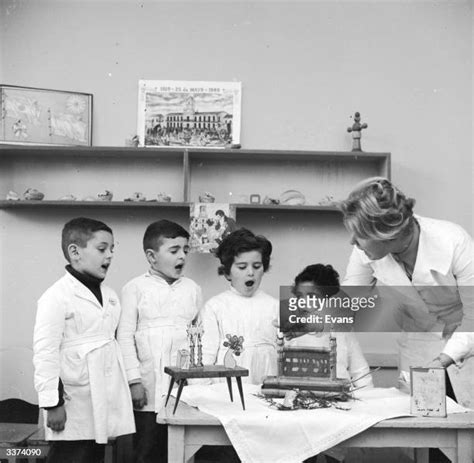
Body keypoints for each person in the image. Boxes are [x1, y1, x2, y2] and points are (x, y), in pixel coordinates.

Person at [339, 177, 474, 409]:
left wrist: (443, 360)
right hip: (417, 348)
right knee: (425, 434)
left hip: (467, 350)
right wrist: (303, 318)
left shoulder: (453, 241)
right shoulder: (364, 252)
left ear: (385, 233)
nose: (353, 241)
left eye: (359, 235)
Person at [33, 217, 135, 463]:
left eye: (112, 249)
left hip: (101, 397)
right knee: (70, 455)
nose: (109, 255)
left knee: (93, 454)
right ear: (75, 252)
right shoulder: (56, 297)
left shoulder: (110, 296)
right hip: (71, 401)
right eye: (102, 249)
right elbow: (45, 352)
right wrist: (52, 403)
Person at [117, 219, 202, 463]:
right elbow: (124, 337)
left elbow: (199, 335)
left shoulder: (192, 289)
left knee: (180, 450)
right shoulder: (134, 288)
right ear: (152, 256)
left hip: (183, 387)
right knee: (146, 449)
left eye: (185, 250)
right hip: (147, 386)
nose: (182, 257)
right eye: (174, 251)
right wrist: (134, 381)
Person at [201, 228, 278, 384]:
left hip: (266, 380)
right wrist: (202, 389)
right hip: (226, 386)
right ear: (228, 273)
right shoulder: (215, 306)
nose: (250, 273)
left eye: (257, 266)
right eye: (242, 267)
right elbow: (206, 353)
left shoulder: (274, 306)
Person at [287, 263, 373, 390]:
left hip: (339, 400)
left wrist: (366, 402)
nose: (303, 302)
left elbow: (361, 373)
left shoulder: (343, 332)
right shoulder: (289, 335)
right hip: (301, 401)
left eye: (311, 296)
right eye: (299, 296)